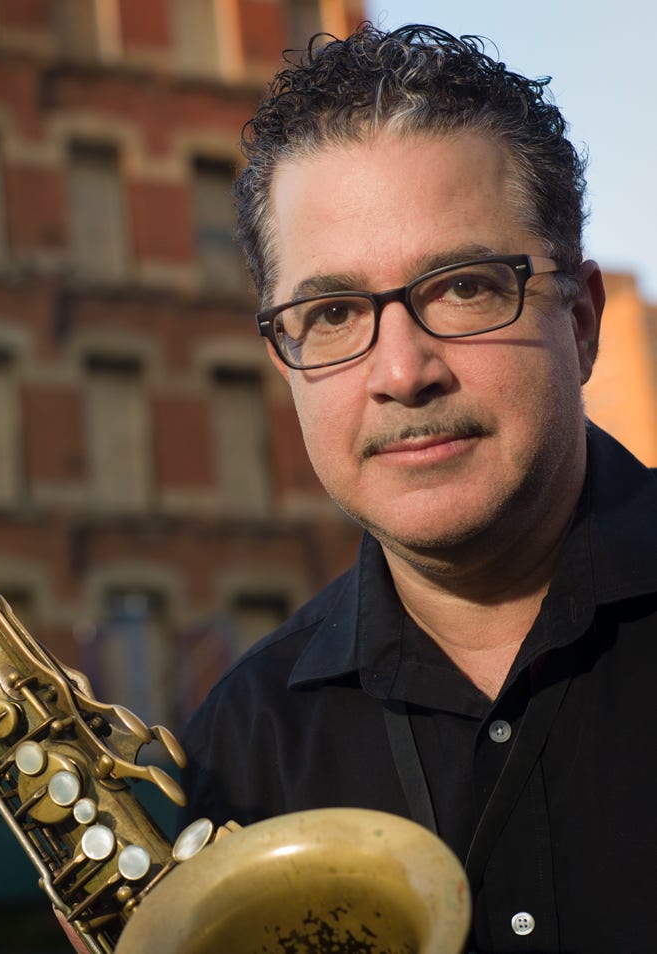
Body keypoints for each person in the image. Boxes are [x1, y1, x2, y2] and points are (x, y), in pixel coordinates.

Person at [178, 22, 657, 954]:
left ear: (585, 322)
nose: (403, 370)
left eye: (465, 289)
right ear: (285, 360)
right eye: (332, 313)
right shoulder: (239, 749)